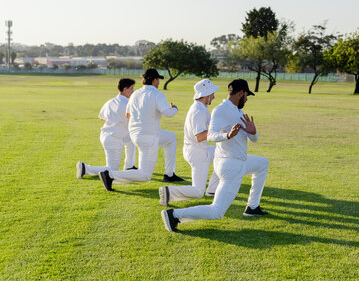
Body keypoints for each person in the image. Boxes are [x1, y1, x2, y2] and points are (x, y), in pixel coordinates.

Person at [161, 79, 269, 232]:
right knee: (217, 211)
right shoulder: (221, 110)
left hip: (239, 162)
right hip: (230, 166)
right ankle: (174, 215)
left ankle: (253, 207)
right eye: (246, 95)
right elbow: (210, 135)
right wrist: (228, 135)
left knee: (262, 163)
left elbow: (254, 139)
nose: (247, 98)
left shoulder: (238, 111)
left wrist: (253, 132)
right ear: (240, 93)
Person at [99, 68, 183, 191]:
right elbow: (168, 113)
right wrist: (175, 108)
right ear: (154, 80)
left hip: (136, 135)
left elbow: (128, 115)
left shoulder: (135, 94)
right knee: (145, 175)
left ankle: (169, 174)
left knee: (171, 137)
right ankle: (110, 175)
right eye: (158, 80)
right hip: (148, 136)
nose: (158, 83)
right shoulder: (157, 94)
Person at [159, 79, 220, 206]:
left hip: (196, 149)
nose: (214, 96)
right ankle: (168, 191)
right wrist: (222, 133)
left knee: (222, 153)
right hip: (197, 153)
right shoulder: (199, 111)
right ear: (206, 94)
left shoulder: (201, 107)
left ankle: (213, 190)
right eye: (212, 93)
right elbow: (200, 136)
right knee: (198, 191)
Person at [76, 78, 137, 179]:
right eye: (132, 89)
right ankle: (85, 168)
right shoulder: (126, 105)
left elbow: (102, 118)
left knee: (131, 139)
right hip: (113, 139)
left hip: (107, 135)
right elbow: (131, 122)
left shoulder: (110, 101)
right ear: (125, 89)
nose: (133, 91)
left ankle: (129, 166)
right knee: (112, 170)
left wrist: (115, 121)